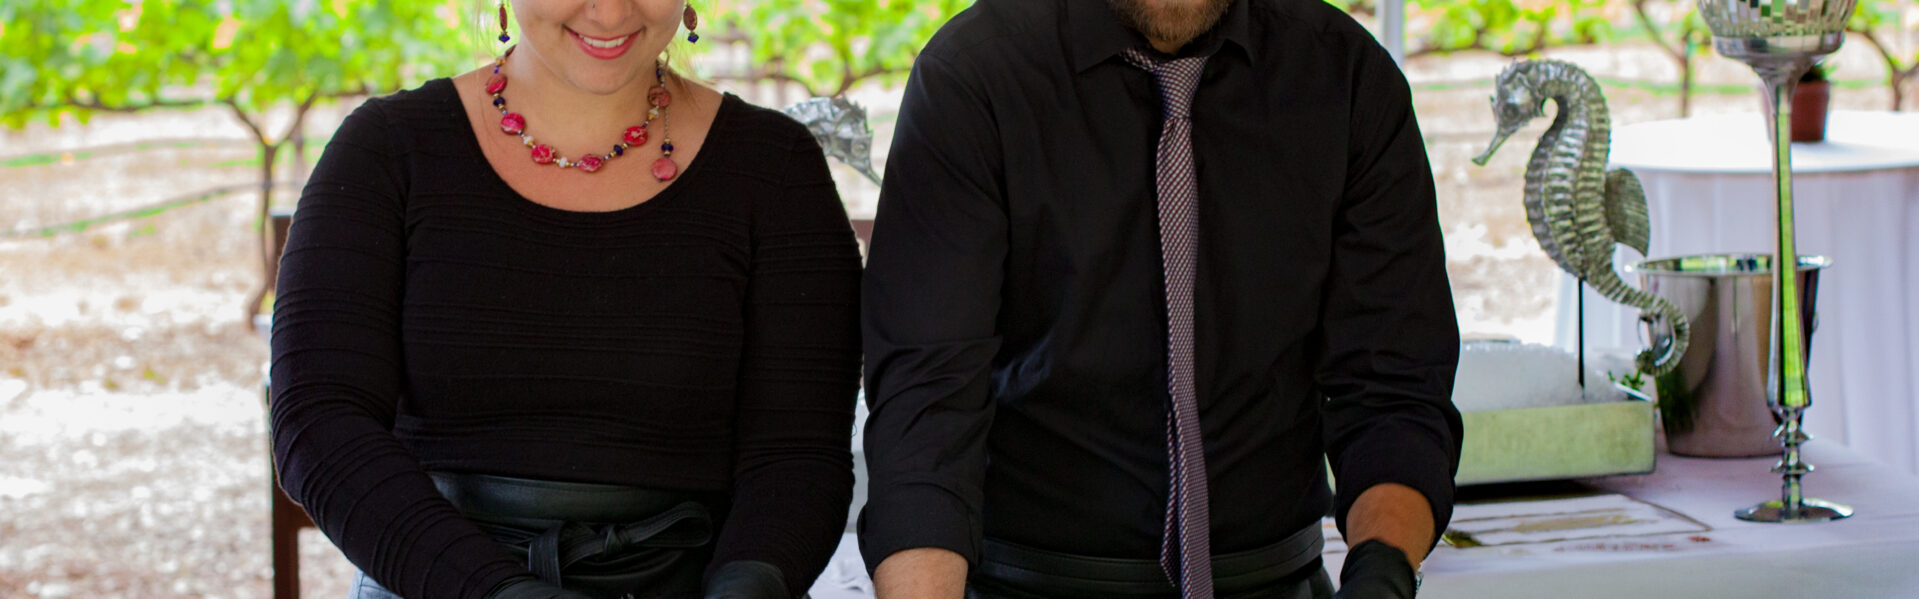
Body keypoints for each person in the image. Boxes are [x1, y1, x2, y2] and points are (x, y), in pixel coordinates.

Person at [858, 0, 1463, 597]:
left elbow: (1393, 387)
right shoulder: (975, 75)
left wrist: (1381, 576)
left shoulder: (1346, 75)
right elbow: (928, 404)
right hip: (1027, 582)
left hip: (1277, 579)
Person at [268, 1, 861, 597]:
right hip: (437, 580)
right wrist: (496, 591)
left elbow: (799, 452)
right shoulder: (388, 150)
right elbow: (318, 422)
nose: (609, 9)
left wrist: (748, 583)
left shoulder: (775, 168)